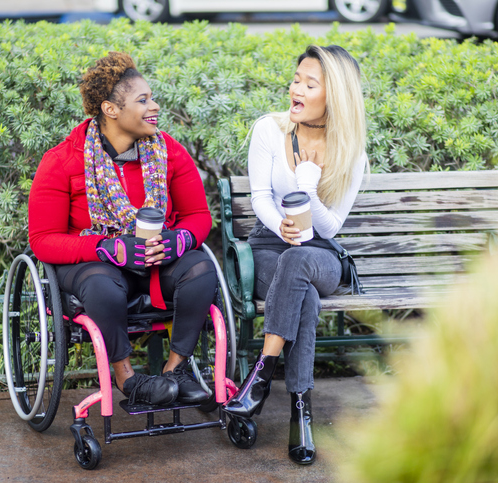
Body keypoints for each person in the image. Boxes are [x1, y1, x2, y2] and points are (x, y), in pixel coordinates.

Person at [28, 52, 217, 407]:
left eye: (152, 97)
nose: (154, 106)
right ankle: (127, 379)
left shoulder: (168, 152)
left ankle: (175, 372)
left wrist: (181, 240)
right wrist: (106, 247)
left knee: (201, 269)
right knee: (103, 284)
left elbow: (198, 216)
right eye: (142, 100)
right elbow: (42, 241)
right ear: (111, 110)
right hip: (94, 265)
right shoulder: (62, 161)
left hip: (157, 262)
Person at [222, 45, 368, 464]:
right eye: (296, 79)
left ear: (334, 94)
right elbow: (261, 197)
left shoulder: (351, 148)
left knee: (300, 261)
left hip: (320, 253)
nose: (296, 89)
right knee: (300, 290)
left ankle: (261, 376)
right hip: (270, 244)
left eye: (310, 83)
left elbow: (330, 227)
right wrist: (281, 224)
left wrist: (307, 184)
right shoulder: (269, 129)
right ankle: (300, 415)